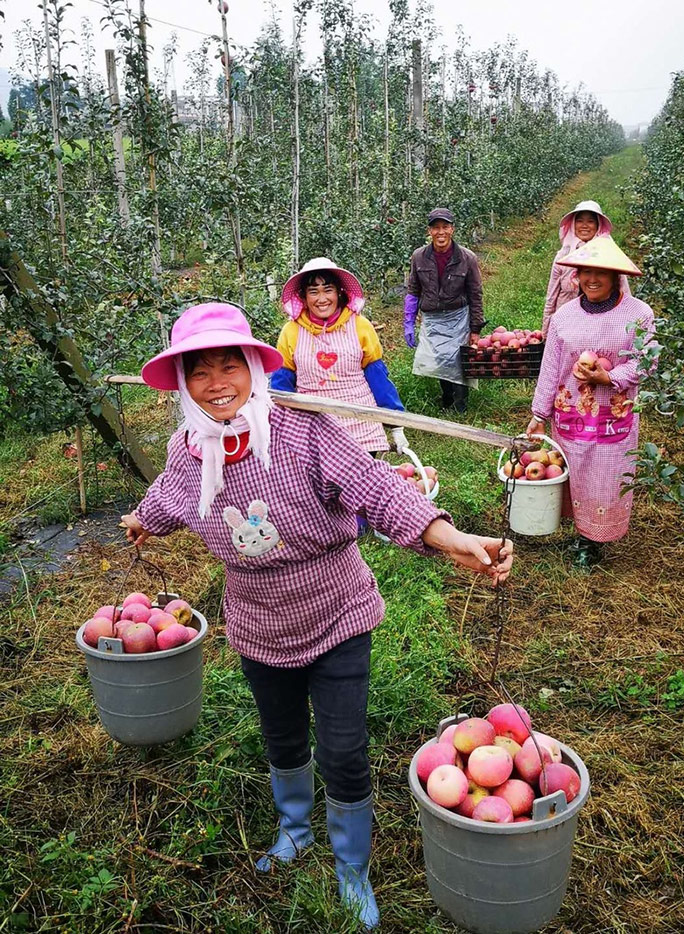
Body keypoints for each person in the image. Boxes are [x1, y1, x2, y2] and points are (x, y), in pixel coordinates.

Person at [121, 302, 514, 930]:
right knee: (281, 736)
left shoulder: (303, 431)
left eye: (231, 365)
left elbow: (377, 488)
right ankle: (295, 827)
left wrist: (450, 537)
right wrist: (145, 520)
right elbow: (169, 495)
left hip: (336, 613)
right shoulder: (188, 449)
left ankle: (351, 862)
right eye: (200, 372)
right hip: (258, 626)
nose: (217, 382)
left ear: (255, 368)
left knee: (343, 746)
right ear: (183, 384)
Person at [527, 238, 654, 569]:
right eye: (586, 272)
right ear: (577, 276)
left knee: (606, 475)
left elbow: (646, 362)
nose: (592, 279)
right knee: (575, 472)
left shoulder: (638, 314)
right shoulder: (564, 317)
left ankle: (593, 541)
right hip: (571, 414)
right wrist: (539, 413)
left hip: (613, 417)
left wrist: (609, 378)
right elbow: (551, 368)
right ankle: (582, 532)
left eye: (601, 273)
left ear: (615, 278)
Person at [271, 257, 408, 456]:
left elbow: (378, 378)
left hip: (360, 424)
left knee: (361, 485)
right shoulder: (291, 331)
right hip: (313, 427)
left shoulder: (360, 326)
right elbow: (281, 385)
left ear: (339, 292)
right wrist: (278, 428)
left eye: (328, 290)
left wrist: (396, 425)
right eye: (313, 292)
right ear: (303, 297)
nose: (322, 298)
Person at [403, 207, 484, 413]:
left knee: (458, 360)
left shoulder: (467, 258)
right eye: (436, 228)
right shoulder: (419, 257)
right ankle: (447, 399)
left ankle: (460, 407)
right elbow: (413, 290)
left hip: (458, 316)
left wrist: (475, 329)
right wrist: (409, 322)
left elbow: (475, 294)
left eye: (445, 227)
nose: (441, 232)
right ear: (429, 231)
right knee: (439, 360)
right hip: (433, 318)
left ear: (452, 229)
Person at [542, 199, 629, 339]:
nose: (584, 226)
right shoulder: (563, 256)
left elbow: (624, 292)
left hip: (600, 327)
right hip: (566, 327)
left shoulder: (609, 255)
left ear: (598, 226)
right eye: (580, 221)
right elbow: (551, 297)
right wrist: (546, 333)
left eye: (590, 221)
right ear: (573, 224)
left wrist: (627, 328)